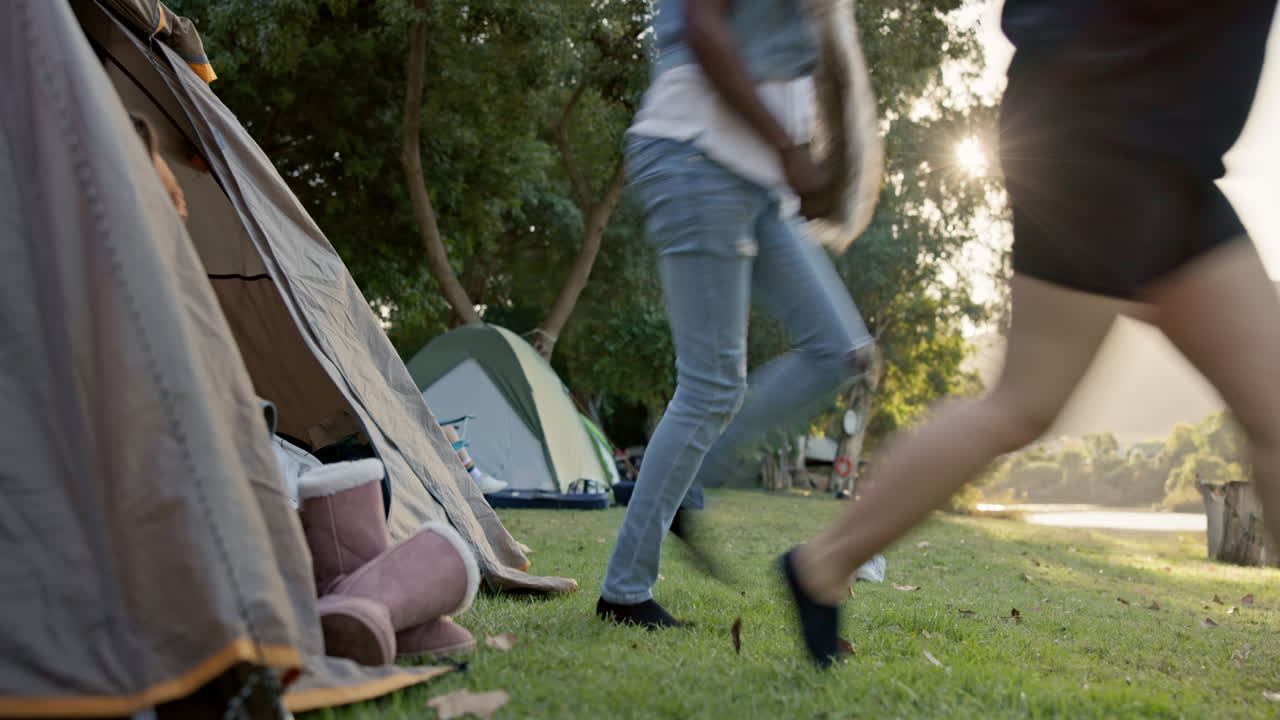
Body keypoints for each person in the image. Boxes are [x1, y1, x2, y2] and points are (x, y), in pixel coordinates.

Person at [780, 0, 1280, 666]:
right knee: (1023, 402)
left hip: (1164, 154)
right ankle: (823, 563)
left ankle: (824, 564)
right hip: (1109, 130)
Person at [596, 0, 878, 628]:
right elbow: (703, 27)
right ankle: (625, 592)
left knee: (842, 352)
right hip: (695, 155)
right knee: (711, 386)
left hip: (759, 182)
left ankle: (687, 481)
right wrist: (789, 150)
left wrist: (812, 162)